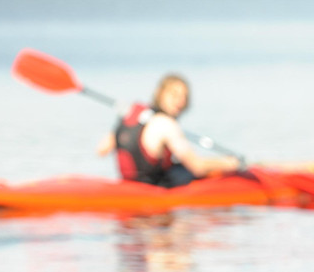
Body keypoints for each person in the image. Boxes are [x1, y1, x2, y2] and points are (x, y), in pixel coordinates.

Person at [96, 73, 240, 188]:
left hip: (127, 185)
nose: (180, 101)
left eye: (184, 97)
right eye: (174, 95)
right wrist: (230, 163)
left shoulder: (132, 113)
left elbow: (102, 150)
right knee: (183, 171)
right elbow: (197, 167)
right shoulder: (167, 124)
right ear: (160, 93)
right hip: (153, 191)